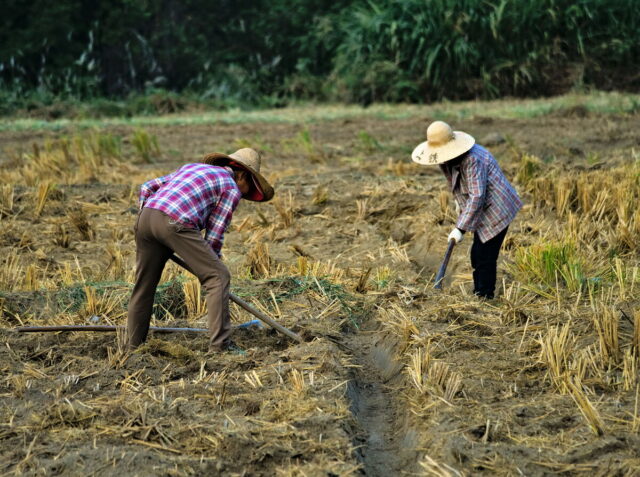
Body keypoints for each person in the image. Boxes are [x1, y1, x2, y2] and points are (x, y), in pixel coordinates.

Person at [127, 148, 274, 351]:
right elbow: (214, 236)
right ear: (242, 175)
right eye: (248, 189)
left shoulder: (192, 167)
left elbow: (147, 187)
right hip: (175, 222)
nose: (243, 195)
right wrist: (208, 268)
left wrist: (148, 222)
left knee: (144, 287)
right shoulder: (231, 187)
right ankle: (221, 345)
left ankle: (132, 347)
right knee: (218, 276)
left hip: (146, 218)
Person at [412, 121, 522, 299]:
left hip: (497, 207)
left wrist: (460, 228)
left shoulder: (472, 159)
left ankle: (485, 297)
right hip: (482, 207)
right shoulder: (446, 159)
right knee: (477, 254)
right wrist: (458, 202)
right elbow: (454, 183)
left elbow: (477, 195)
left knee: (484, 255)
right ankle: (480, 292)